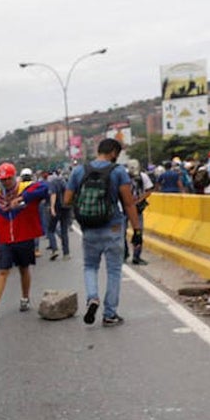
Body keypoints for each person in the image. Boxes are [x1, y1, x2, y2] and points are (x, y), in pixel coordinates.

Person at [63, 138, 143, 326]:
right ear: (113, 152)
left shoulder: (79, 170)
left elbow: (67, 200)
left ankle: (92, 298)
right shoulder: (118, 171)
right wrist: (137, 230)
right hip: (113, 226)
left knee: (90, 266)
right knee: (114, 270)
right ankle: (109, 314)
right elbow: (129, 203)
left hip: (89, 228)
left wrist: (84, 209)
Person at [0, 162, 49, 318]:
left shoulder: (25, 189)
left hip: (24, 236)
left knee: (23, 268)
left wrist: (22, 197)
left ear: (14, 177)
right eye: (3, 179)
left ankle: (25, 298)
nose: (5, 182)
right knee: (3, 271)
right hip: (6, 240)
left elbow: (45, 187)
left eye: (8, 178)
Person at [125, 159, 153, 265]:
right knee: (122, 232)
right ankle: (125, 252)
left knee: (138, 232)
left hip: (137, 208)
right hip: (125, 208)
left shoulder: (143, 177)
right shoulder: (123, 176)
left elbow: (149, 190)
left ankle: (136, 256)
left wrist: (139, 200)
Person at [46, 169, 70, 260]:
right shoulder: (64, 181)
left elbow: (53, 194)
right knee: (64, 231)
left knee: (51, 230)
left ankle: (54, 249)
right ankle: (66, 253)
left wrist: (52, 207)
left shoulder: (52, 182)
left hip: (57, 208)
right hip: (66, 208)